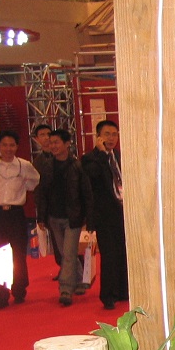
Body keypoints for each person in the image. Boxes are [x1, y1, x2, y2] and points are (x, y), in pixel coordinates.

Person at [0, 130, 41, 309]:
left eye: (12, 145)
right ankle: (0, 296)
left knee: (18, 253)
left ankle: (19, 290)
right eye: (4, 145)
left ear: (17, 146)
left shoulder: (23, 165)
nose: (8, 148)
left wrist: (24, 187)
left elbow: (36, 180)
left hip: (16, 213)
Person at [35, 129, 93, 307]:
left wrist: (89, 218)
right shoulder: (46, 166)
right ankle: (80, 280)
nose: (52, 146)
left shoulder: (77, 166)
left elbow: (86, 193)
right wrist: (41, 216)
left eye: (56, 142)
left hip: (72, 218)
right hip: (53, 217)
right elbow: (41, 193)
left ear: (67, 144)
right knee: (65, 253)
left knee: (67, 254)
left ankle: (66, 289)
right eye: (51, 142)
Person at [81, 119, 129, 310]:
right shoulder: (90, 158)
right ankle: (108, 295)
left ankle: (124, 290)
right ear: (98, 137)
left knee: (123, 252)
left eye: (114, 134)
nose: (111, 138)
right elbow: (92, 176)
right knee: (109, 255)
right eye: (107, 134)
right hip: (104, 214)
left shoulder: (119, 156)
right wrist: (101, 153)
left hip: (122, 211)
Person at [31, 123, 63, 277]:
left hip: (66, 206)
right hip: (49, 208)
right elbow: (38, 190)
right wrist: (41, 215)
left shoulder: (63, 156)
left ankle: (76, 269)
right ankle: (63, 268)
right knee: (56, 241)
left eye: (48, 134)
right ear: (37, 139)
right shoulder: (37, 162)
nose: (45, 138)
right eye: (42, 135)